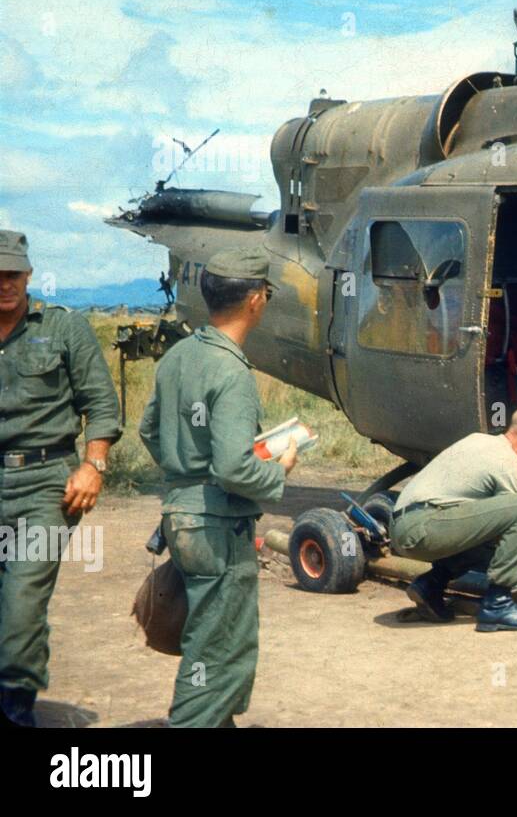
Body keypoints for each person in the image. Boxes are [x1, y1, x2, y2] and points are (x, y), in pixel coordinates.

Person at [139, 246, 297, 727]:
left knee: (211, 636)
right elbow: (233, 468)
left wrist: (186, 472)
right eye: (267, 292)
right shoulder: (231, 370)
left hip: (184, 519)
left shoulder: (180, 356)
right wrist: (279, 469)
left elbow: (149, 430)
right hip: (216, 528)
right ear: (254, 300)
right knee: (217, 651)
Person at [0, 230, 121, 727]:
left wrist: (92, 464)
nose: (5, 284)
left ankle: (15, 707)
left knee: (22, 603)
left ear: (29, 275)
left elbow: (102, 405)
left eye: (14, 274)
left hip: (45, 482)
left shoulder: (64, 329)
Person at [391, 400, 517, 632]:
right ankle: (498, 606)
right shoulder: (510, 464)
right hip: (425, 527)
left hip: (404, 526)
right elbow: (516, 521)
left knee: (491, 529)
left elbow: (490, 518)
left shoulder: (479, 440)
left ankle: (431, 585)